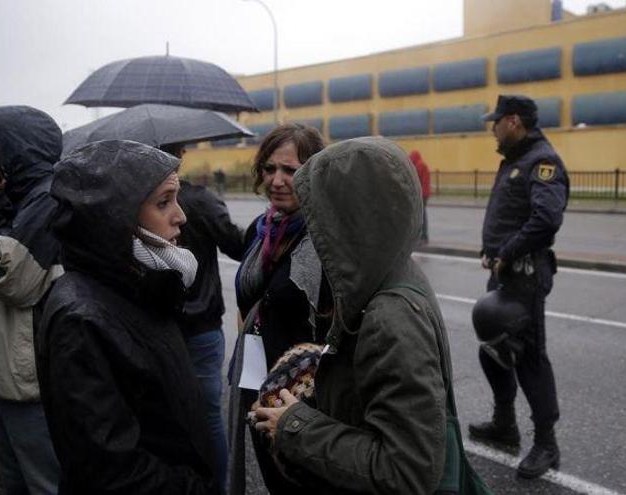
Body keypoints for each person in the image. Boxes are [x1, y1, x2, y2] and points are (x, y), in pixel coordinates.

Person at [250, 137, 454, 494]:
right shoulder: (390, 268)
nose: (314, 230)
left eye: (321, 214)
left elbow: (407, 470)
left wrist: (295, 425)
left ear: (348, 216)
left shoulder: (388, 317)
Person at [37, 140, 220, 494]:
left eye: (176, 199)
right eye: (163, 202)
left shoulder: (137, 282)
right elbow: (110, 469)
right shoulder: (81, 318)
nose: (180, 215)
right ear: (114, 216)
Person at [0, 106, 62, 493]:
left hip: (30, 385)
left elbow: (11, 280)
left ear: (12, 144)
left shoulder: (45, 199)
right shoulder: (18, 196)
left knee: (44, 485)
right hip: (9, 378)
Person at [469, 95, 569, 479]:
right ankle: (504, 425)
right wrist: (491, 249)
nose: (492, 128)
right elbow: (511, 214)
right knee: (493, 351)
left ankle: (546, 443)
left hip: (526, 275)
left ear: (513, 121)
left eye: (495, 122)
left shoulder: (542, 162)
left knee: (529, 358)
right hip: (506, 272)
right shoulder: (516, 160)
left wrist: (507, 252)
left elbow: (546, 219)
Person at [228, 123, 325, 494]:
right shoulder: (260, 228)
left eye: (291, 170)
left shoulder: (325, 234)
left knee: (301, 481)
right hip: (255, 375)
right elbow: (248, 298)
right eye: (270, 169)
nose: (277, 180)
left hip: (304, 390)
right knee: (267, 470)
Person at [160, 141, 247, 492]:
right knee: (210, 415)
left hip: (159, 324)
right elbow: (239, 245)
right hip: (202, 326)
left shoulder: (135, 200)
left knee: (167, 415)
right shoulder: (199, 199)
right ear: (181, 154)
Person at [409, 150, 432, 244]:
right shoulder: (421, 164)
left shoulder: (419, 166)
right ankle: (423, 236)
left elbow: (418, 182)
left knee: (421, 216)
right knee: (421, 215)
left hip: (422, 194)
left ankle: (423, 237)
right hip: (424, 193)